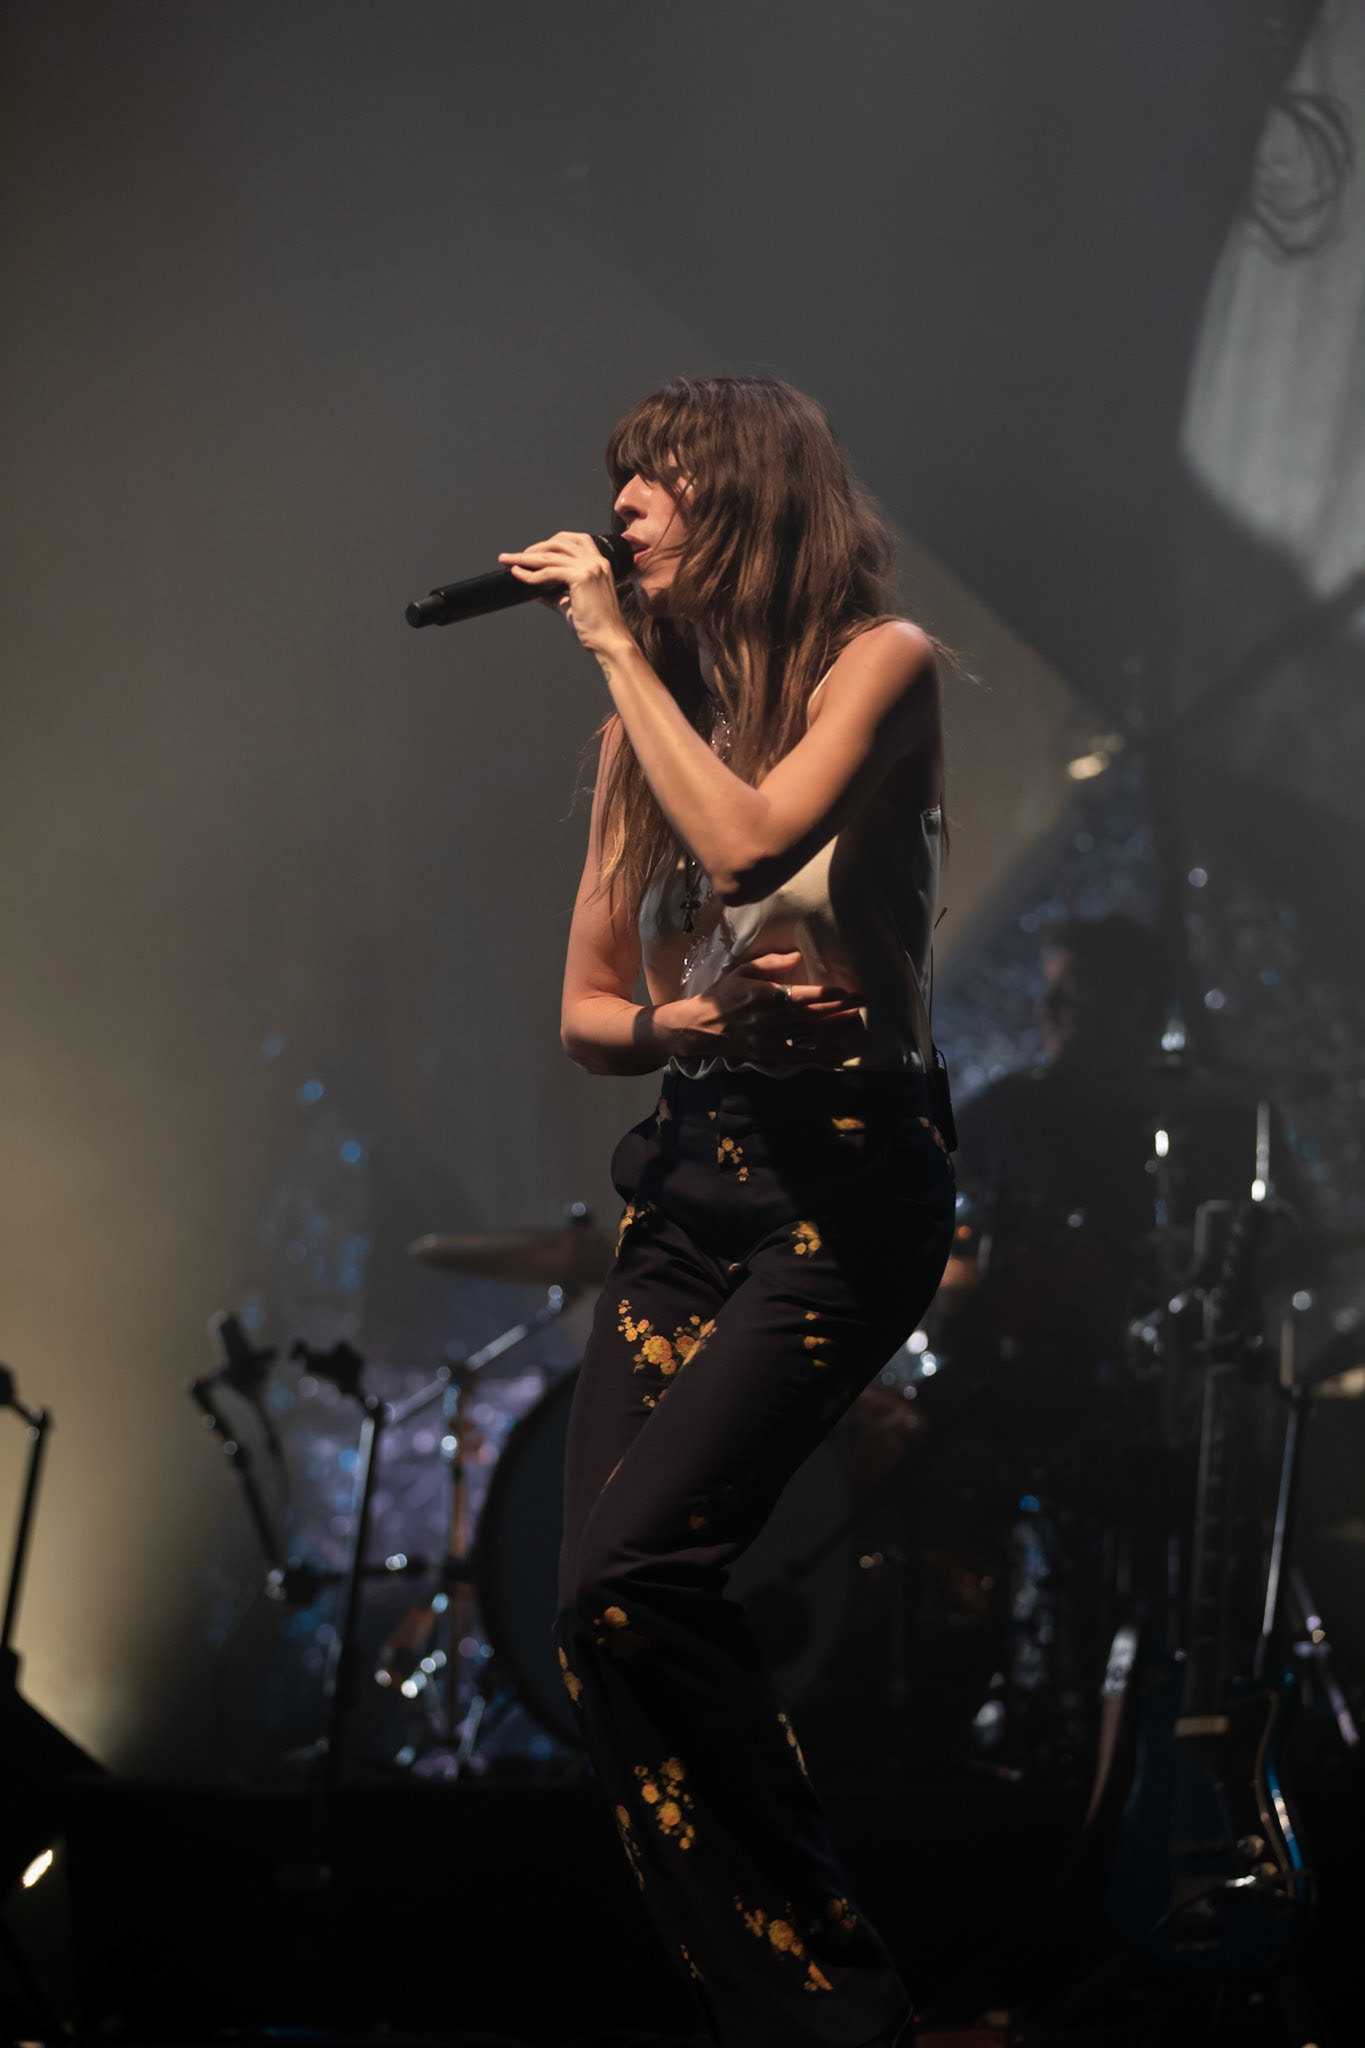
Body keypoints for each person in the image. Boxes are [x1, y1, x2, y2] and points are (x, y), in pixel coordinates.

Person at [498, 376, 954, 2048]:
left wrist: (616, 648)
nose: (620, 510)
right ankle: (790, 2009)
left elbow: (758, 846)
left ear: (751, 496)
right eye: (612, 481)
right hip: (695, 1181)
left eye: (658, 481)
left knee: (636, 1570)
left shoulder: (878, 670)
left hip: (846, 1185)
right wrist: (687, 1025)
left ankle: (837, 2012)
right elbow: (588, 1014)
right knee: (596, 1611)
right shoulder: (640, 737)